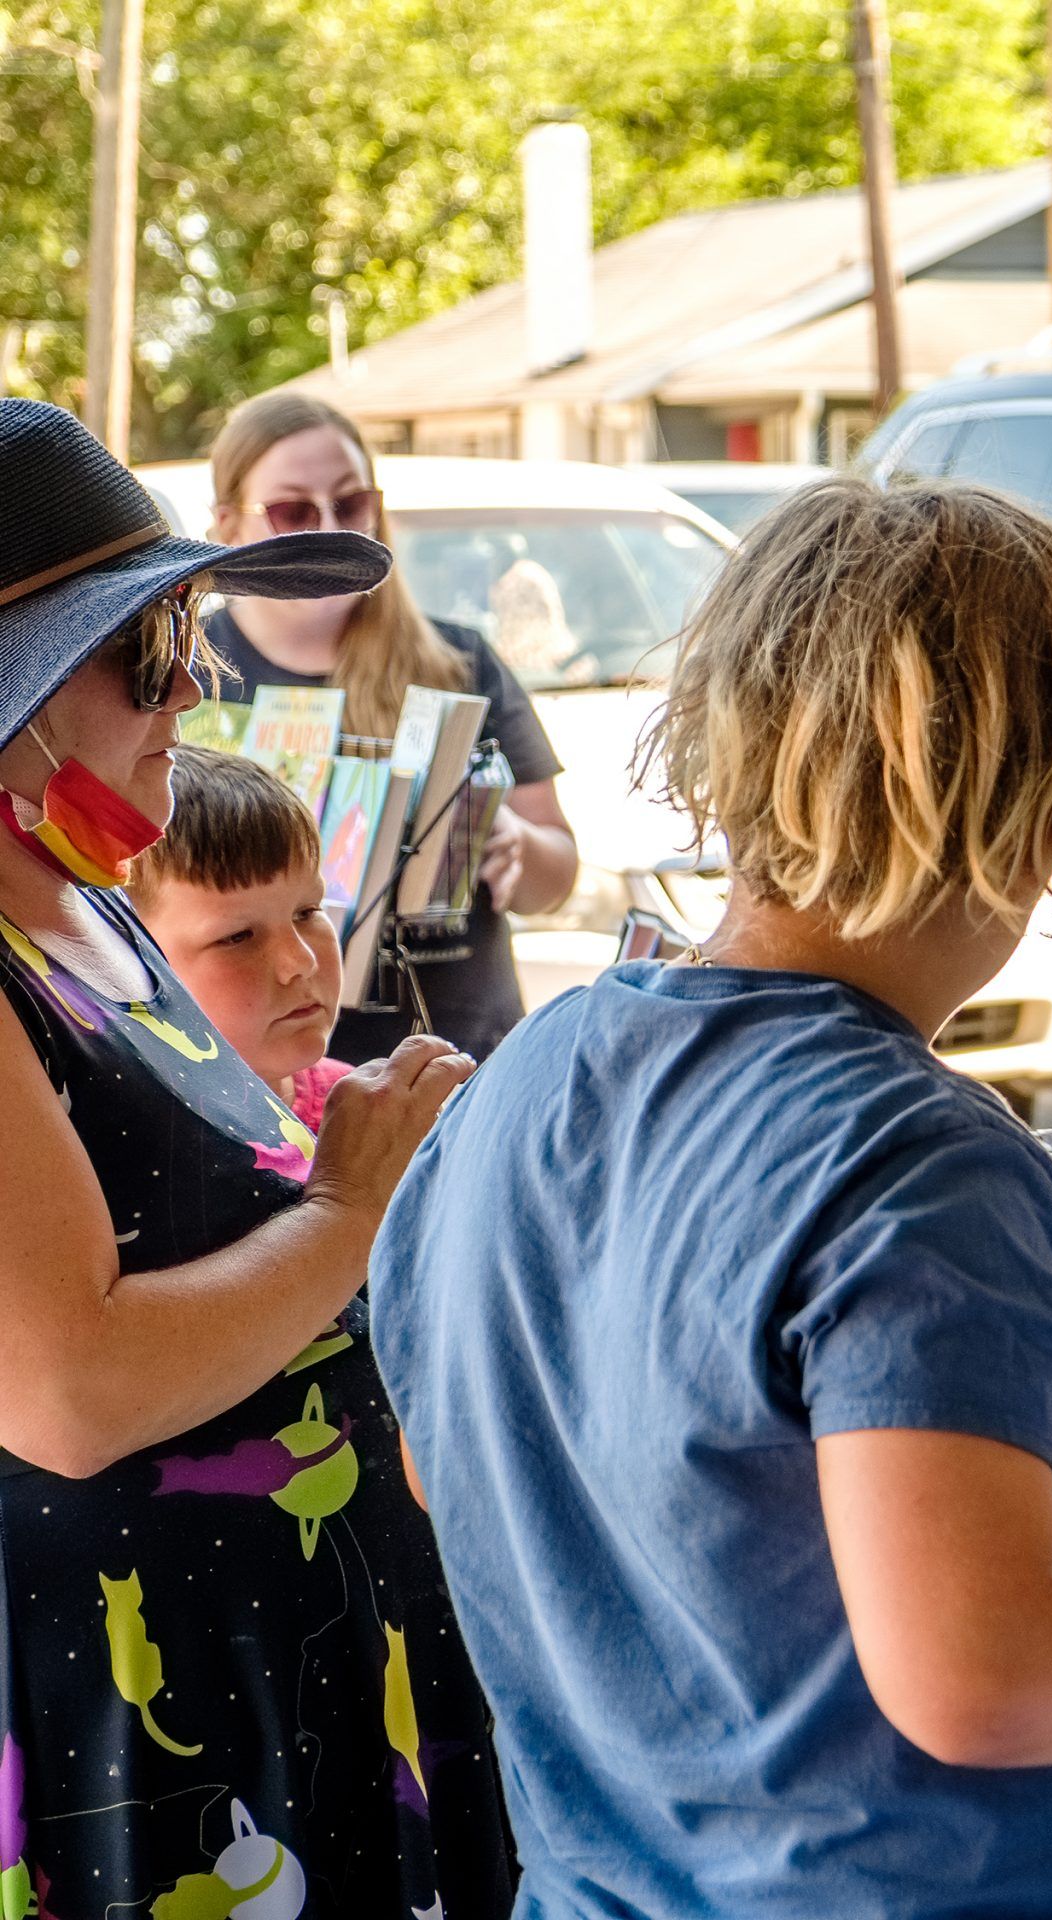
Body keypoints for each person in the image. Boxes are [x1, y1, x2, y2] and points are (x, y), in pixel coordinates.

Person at [367, 479, 1052, 1919]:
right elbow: (985, 1678)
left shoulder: (512, 1088)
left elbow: (474, 1463)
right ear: (1044, 803)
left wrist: (944, 1460)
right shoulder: (917, 1154)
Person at [0, 400, 513, 1915]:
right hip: (152, 1717)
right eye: (152, 654)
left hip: (292, 1664)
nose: (198, 685)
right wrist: (354, 1204)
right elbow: (68, 1388)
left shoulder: (86, 899)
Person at [204, 390, 578, 1059]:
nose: (329, 527)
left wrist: (518, 846)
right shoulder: (188, 679)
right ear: (228, 524)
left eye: (350, 504)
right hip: (275, 1074)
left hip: (464, 1058)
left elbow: (559, 875)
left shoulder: (460, 663)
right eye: (293, 510)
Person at [131, 745, 354, 1132]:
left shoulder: (358, 1111)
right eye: (238, 937)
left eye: (307, 912)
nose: (301, 962)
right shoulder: (131, 1142)